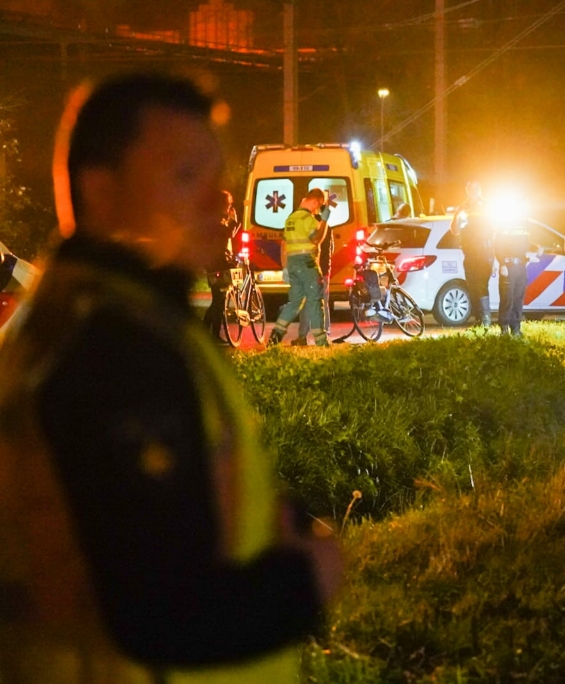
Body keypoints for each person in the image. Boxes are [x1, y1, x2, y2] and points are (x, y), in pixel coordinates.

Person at [0, 72, 342, 683]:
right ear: (101, 195)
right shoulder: (114, 351)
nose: (218, 203)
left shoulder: (87, 319)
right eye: (186, 178)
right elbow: (159, 611)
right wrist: (307, 581)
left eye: (218, 179)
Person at [268, 188, 332, 346]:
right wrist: (324, 220)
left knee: (295, 303)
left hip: (292, 263)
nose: (318, 210)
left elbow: (284, 245)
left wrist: (285, 268)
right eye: (320, 206)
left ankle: (275, 336)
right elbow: (316, 239)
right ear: (316, 202)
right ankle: (322, 341)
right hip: (307, 264)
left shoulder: (291, 219)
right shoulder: (307, 218)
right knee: (315, 300)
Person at [450, 180, 494, 327]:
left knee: (481, 283)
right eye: (471, 189)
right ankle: (478, 318)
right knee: (472, 285)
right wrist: (458, 218)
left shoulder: (488, 207)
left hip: (484, 251)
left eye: (476, 188)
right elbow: (454, 230)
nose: (473, 191)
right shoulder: (462, 208)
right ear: (467, 190)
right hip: (469, 252)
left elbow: (495, 230)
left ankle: (485, 317)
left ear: (480, 190)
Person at [295, 196, 335, 346]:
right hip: (323, 270)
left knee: (305, 304)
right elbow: (330, 249)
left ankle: (302, 336)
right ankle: (325, 335)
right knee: (322, 303)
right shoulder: (327, 228)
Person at [202, 190, 240, 340]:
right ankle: (212, 335)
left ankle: (208, 333)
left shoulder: (213, 218)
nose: (229, 207)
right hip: (217, 262)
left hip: (214, 262)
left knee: (218, 299)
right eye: (228, 204)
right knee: (219, 299)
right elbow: (228, 234)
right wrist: (234, 220)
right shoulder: (217, 219)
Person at [494, 216, 532, 337]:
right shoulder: (505, 224)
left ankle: (516, 327)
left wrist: (535, 247)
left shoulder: (524, 224)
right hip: (509, 266)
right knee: (507, 298)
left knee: (518, 298)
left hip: (521, 266)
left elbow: (524, 244)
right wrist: (502, 264)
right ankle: (504, 328)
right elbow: (498, 246)